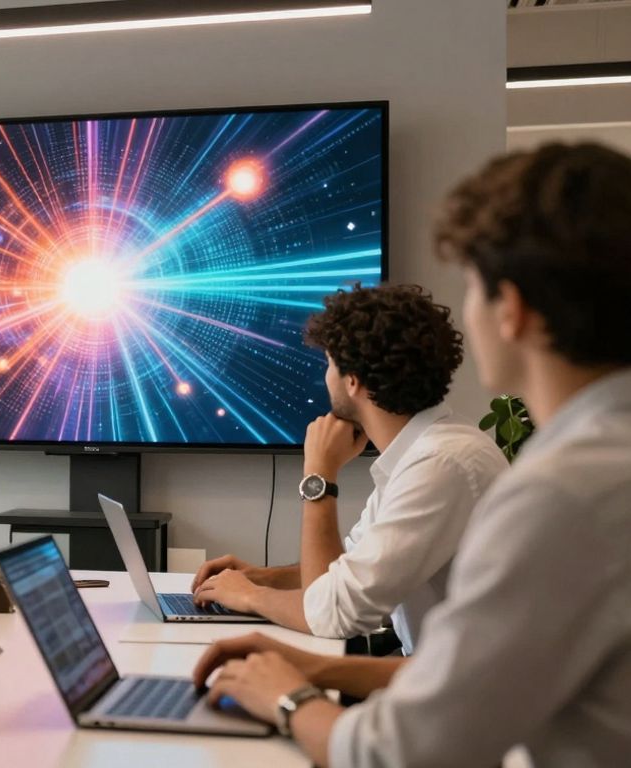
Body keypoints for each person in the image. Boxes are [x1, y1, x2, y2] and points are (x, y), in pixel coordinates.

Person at [193, 142, 631, 767]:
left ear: (511, 310)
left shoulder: (556, 491)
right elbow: (469, 680)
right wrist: (303, 656)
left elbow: (396, 747)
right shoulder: (589, 465)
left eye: (473, 287)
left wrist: (287, 697)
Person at [190, 284, 507, 654]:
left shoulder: (440, 464)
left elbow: (332, 615)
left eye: (329, 363)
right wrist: (260, 578)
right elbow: (347, 572)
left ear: (352, 380)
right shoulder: (422, 454)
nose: (326, 376)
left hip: (453, 685)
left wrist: (318, 476)